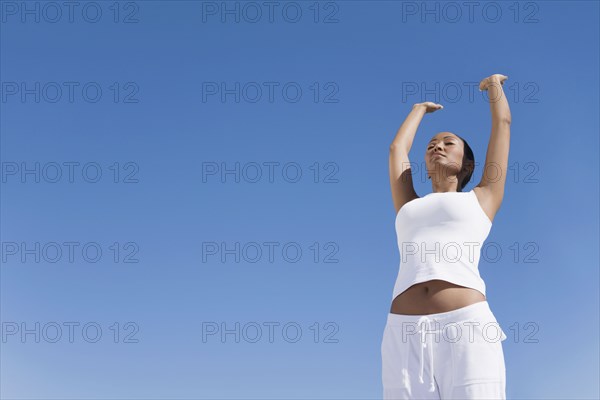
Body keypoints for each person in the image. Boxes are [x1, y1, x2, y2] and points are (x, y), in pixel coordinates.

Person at [381, 74, 511, 399]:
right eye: (430, 145)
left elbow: (503, 125)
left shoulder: (483, 197)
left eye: (447, 142)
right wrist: (419, 109)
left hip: (466, 327)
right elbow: (397, 148)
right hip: (403, 332)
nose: (437, 145)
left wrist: (494, 86)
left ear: (466, 164)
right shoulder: (408, 204)